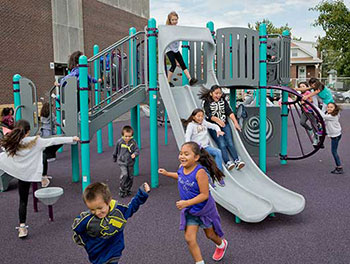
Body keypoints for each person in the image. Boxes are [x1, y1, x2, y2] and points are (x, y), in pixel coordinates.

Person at [0, 119, 79, 238]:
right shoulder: (35, 141)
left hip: (22, 175)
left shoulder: (12, 142)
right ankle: (43, 177)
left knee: (23, 201)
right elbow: (53, 141)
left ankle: (22, 227)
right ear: (28, 131)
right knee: (43, 156)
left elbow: (5, 151)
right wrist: (72, 138)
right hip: (32, 173)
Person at [158, 142, 228, 263]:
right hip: (190, 211)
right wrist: (167, 173)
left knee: (210, 235)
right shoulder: (181, 168)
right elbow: (181, 177)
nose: (182, 156)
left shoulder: (200, 173)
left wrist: (186, 203)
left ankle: (221, 244)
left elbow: (204, 195)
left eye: (186, 154)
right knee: (189, 239)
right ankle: (199, 262)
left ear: (196, 157)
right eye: (180, 153)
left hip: (203, 210)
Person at [72, 181, 150, 264]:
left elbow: (132, 208)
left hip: (114, 251)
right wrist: (86, 243)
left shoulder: (119, 211)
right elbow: (77, 230)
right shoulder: (87, 219)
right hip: (98, 254)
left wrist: (142, 193)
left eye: (100, 208)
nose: (97, 212)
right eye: (92, 209)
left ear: (108, 201)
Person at [200, 85, 245, 170]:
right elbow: (208, 115)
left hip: (224, 124)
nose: (218, 95)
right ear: (211, 93)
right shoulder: (206, 102)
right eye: (216, 93)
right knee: (222, 143)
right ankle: (227, 161)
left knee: (230, 142)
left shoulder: (223, 101)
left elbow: (229, 112)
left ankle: (237, 160)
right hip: (214, 126)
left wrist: (235, 123)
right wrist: (218, 121)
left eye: (220, 93)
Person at [183, 108, 225, 187]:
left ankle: (219, 175)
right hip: (197, 149)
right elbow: (187, 137)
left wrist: (218, 130)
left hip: (206, 147)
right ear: (193, 117)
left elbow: (214, 126)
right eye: (198, 116)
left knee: (217, 152)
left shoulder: (204, 123)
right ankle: (208, 178)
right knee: (204, 161)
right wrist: (188, 149)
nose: (200, 118)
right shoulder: (191, 125)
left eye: (202, 116)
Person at [165, 11, 198, 87]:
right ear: (170, 20)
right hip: (169, 49)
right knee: (173, 64)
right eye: (173, 20)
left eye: (176, 20)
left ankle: (190, 79)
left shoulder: (178, 28)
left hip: (176, 49)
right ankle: (168, 81)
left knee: (183, 64)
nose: (174, 21)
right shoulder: (167, 29)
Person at [40, 102, 63, 187]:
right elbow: (55, 122)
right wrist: (61, 125)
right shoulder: (51, 114)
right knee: (59, 142)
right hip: (49, 133)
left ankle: (44, 174)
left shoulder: (43, 114)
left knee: (45, 152)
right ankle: (51, 155)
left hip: (44, 133)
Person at [113, 125, 140, 198]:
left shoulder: (133, 142)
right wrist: (114, 157)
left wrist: (135, 154)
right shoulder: (120, 142)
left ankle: (128, 189)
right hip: (122, 162)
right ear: (122, 135)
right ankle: (122, 189)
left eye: (129, 136)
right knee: (125, 174)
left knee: (130, 176)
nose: (127, 138)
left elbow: (137, 150)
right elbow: (116, 151)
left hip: (130, 162)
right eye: (126, 136)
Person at [317, 102, 343, 174]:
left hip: (335, 135)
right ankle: (320, 142)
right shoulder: (330, 114)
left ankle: (339, 167)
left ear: (335, 108)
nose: (329, 108)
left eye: (331, 107)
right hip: (336, 134)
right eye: (328, 107)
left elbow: (323, 116)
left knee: (334, 151)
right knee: (334, 150)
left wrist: (315, 107)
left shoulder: (333, 116)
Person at [295, 82, 319, 146]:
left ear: (306, 86)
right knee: (302, 122)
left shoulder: (308, 93)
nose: (302, 88)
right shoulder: (300, 94)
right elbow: (297, 100)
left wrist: (305, 102)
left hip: (310, 111)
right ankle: (310, 129)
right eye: (300, 87)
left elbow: (311, 100)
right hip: (305, 111)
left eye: (303, 86)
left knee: (314, 124)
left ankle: (316, 139)